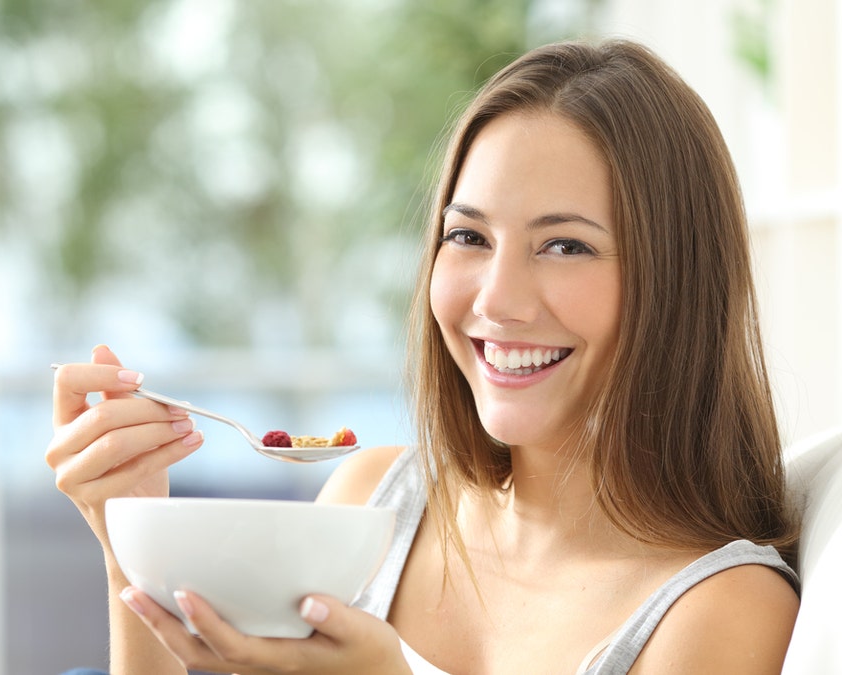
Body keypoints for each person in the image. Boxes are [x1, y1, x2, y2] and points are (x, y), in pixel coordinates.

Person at [46, 38, 801, 675]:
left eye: (564, 245)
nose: (497, 299)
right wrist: (135, 547)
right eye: (468, 236)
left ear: (676, 280)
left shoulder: (722, 607)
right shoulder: (374, 500)